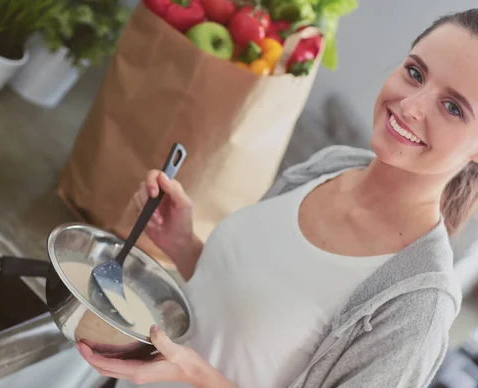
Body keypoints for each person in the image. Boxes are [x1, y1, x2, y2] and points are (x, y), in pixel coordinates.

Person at [77, 8, 478, 388]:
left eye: (452, 107)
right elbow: (243, 321)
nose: (410, 106)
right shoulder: (330, 166)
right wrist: (182, 245)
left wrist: (195, 375)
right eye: (414, 72)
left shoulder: (419, 306)